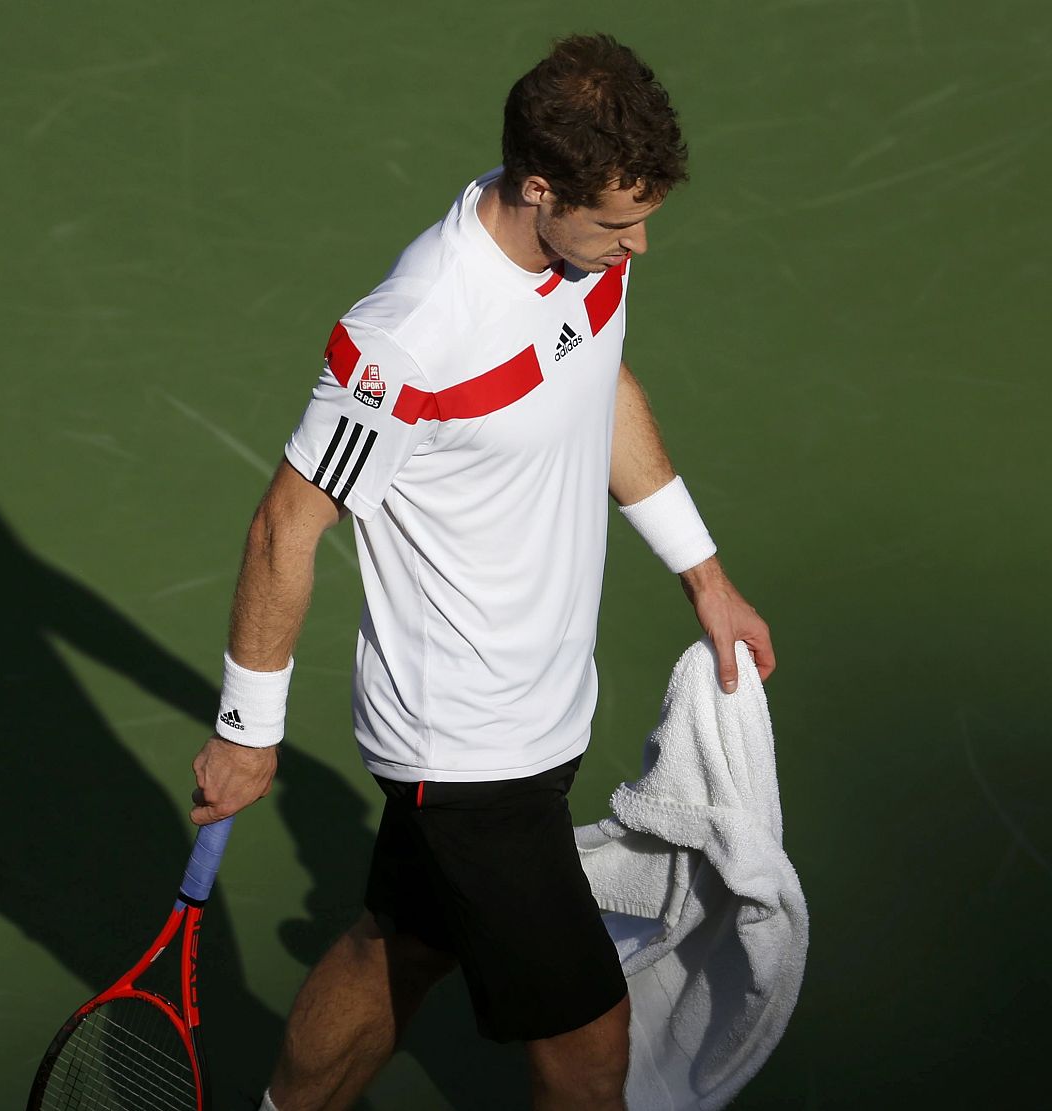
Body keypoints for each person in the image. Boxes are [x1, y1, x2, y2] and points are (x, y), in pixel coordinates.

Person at [190, 33, 776, 1111]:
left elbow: (595, 384)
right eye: (616, 221)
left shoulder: (577, 262)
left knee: (401, 946)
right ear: (538, 188)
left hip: (540, 711)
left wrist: (702, 572)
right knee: (591, 1051)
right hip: (467, 749)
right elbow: (286, 524)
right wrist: (245, 729)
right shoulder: (411, 335)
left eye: (646, 217)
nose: (639, 246)